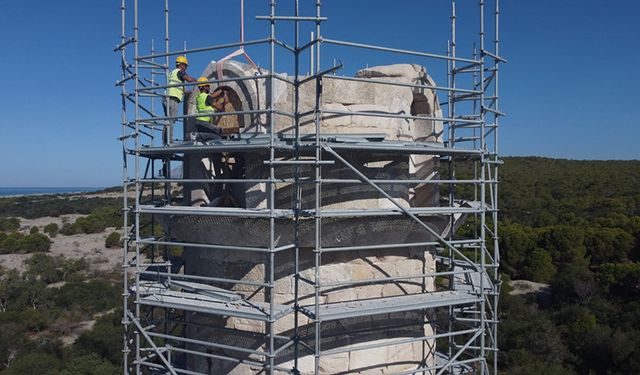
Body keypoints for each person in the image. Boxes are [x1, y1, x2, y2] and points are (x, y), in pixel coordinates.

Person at [163, 55, 197, 145]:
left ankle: (165, 141)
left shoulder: (172, 73)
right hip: (172, 98)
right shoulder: (180, 72)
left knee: (167, 120)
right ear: (181, 65)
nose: (186, 68)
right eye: (185, 66)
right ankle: (169, 141)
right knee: (171, 120)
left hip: (167, 97)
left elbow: (179, 89)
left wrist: (188, 92)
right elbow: (189, 79)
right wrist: (199, 82)